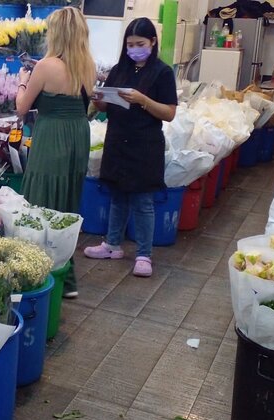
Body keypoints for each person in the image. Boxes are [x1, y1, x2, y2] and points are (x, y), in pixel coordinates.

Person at [83, 17, 177, 277]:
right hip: (117, 140)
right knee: (117, 195)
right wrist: (99, 98)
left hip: (144, 145)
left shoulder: (162, 72)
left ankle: (144, 254)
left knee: (143, 200)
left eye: (140, 43)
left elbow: (169, 113)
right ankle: (112, 244)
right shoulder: (119, 69)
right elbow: (106, 105)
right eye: (130, 44)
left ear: (153, 42)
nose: (134, 48)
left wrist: (143, 99)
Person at [16, 6, 96, 298]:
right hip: (77, 135)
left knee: (41, 199)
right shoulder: (88, 65)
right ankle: (66, 276)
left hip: (51, 134)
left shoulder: (45, 66)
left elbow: (22, 108)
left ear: (57, 34)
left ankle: (38, 273)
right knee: (67, 201)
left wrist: (22, 82)